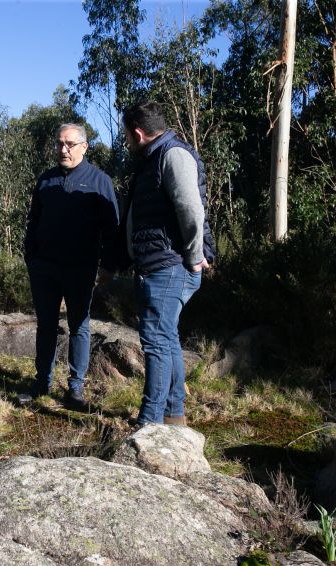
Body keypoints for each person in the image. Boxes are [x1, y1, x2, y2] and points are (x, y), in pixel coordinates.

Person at [116, 101, 216, 426]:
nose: (126, 142)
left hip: (169, 265)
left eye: (126, 136)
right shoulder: (152, 159)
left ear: (138, 133)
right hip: (158, 264)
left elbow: (191, 210)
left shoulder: (172, 155)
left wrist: (195, 256)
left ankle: (151, 421)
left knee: (156, 341)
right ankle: (174, 414)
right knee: (166, 337)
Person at [18, 123, 119, 409]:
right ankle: (42, 383)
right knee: (46, 326)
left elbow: (112, 230)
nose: (63, 149)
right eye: (59, 143)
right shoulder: (46, 180)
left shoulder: (100, 181)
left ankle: (75, 389)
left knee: (79, 327)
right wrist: (32, 258)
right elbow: (33, 222)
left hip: (80, 268)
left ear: (85, 147)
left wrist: (109, 266)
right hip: (45, 268)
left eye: (70, 144)